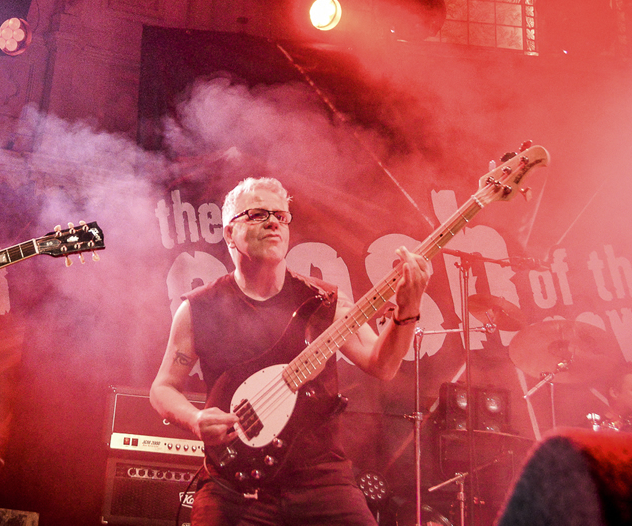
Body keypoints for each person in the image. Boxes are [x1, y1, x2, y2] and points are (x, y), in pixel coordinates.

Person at [150, 177, 432, 526]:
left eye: (281, 216)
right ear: (228, 233)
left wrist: (408, 309)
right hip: (233, 484)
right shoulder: (199, 308)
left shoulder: (325, 301)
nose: (273, 222)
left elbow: (382, 365)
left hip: (322, 479)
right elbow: (163, 387)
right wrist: (194, 420)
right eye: (256, 214)